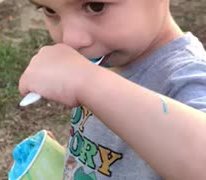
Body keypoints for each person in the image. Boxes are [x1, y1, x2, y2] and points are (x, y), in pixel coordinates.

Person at [18, 0, 206, 179]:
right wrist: (72, 154)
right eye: (50, 10)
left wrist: (87, 80)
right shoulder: (104, 60)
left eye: (95, 6)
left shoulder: (186, 73)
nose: (70, 40)